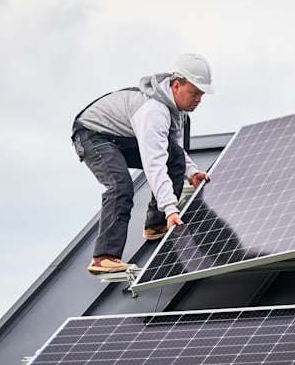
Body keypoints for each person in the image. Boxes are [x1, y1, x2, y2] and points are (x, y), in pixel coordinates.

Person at [71, 53, 214, 275]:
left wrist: (192, 173)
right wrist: (171, 209)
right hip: (92, 135)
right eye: (194, 93)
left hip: (121, 138)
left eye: (201, 95)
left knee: (174, 158)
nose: (198, 100)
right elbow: (154, 163)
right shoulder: (153, 110)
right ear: (176, 85)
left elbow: (175, 152)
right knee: (120, 185)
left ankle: (156, 225)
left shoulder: (178, 112)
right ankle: (103, 257)